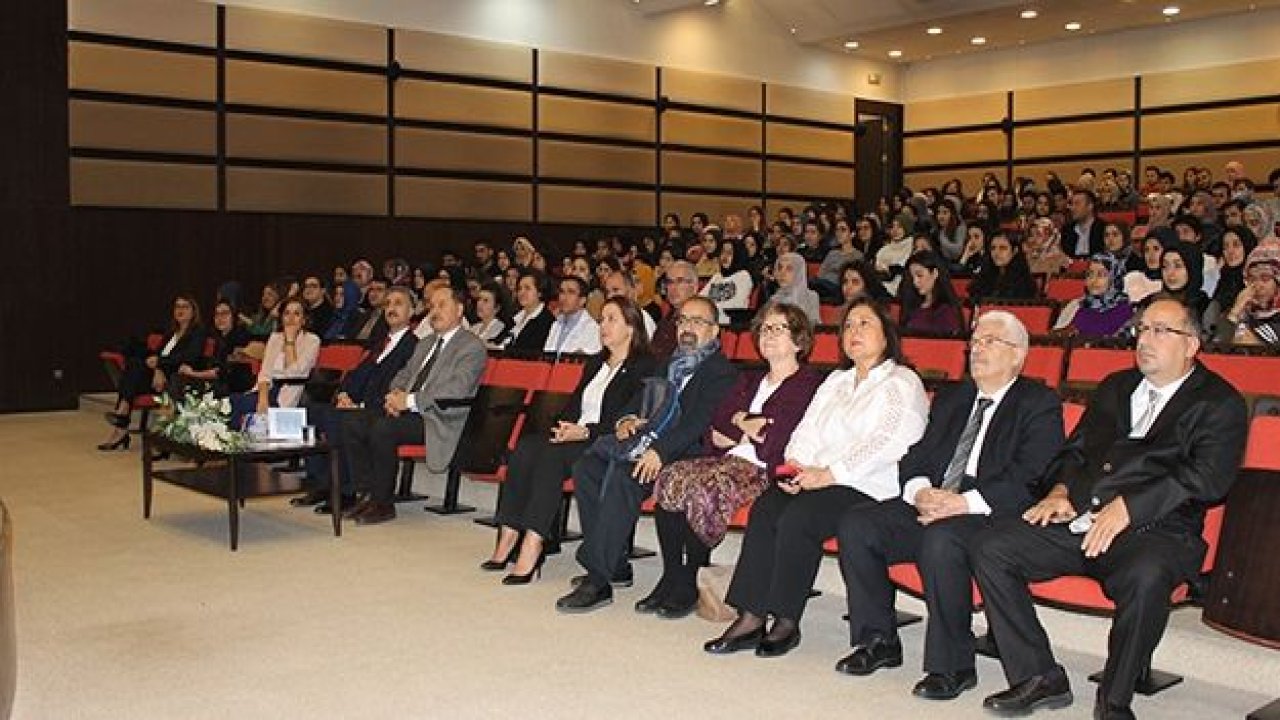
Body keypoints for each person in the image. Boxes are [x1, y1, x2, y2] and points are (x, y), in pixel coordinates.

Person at [974, 296, 1247, 720]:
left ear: (1192, 344)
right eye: (1142, 329)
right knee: (992, 546)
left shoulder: (1219, 402)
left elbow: (1208, 479)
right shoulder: (1115, 386)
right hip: (1079, 518)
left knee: (1147, 574)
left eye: (1161, 330)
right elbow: (1075, 450)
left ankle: (1113, 702)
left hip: (1155, 529)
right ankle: (1038, 675)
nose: (1145, 339)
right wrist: (1061, 491)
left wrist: (1131, 508)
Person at [834, 311, 1063, 700]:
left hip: (990, 510)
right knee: (858, 524)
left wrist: (963, 503)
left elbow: (1031, 475)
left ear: (1018, 355)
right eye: (975, 342)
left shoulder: (1038, 402)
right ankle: (878, 640)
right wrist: (921, 490)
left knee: (942, 540)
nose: (978, 349)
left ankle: (952, 666)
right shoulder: (956, 397)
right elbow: (918, 454)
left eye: (990, 342)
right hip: (938, 497)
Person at [703, 298, 928, 658]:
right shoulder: (836, 381)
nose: (854, 332)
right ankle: (751, 615)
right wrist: (795, 465)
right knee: (768, 507)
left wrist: (831, 474)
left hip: (866, 485)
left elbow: (888, 441)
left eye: (864, 324)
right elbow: (808, 429)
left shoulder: (902, 381)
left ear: (887, 335)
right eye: (848, 326)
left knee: (800, 517)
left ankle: (787, 621)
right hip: (816, 478)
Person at [638, 303, 825, 618]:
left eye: (779, 329)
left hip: (764, 468)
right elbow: (719, 418)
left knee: (704, 487)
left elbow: (778, 433)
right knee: (670, 477)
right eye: (765, 329)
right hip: (727, 458)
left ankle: (691, 577)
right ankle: (671, 574)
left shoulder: (808, 385)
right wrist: (743, 422)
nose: (768, 335)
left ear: (799, 341)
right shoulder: (750, 379)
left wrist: (737, 428)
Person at [555, 296, 738, 612]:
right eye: (683, 321)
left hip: (685, 454)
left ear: (715, 331)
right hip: (647, 445)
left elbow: (697, 423)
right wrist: (626, 421)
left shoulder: (721, 371)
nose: (688, 328)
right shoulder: (669, 363)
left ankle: (598, 579)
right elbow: (637, 402)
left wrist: (659, 452)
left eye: (698, 321)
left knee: (624, 477)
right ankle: (612, 563)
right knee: (588, 466)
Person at [485, 298, 655, 584]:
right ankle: (509, 531)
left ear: (631, 327)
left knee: (551, 457)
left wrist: (585, 432)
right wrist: (564, 428)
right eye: (602, 319)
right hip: (576, 434)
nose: (603, 325)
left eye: (612, 319)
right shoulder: (595, 364)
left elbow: (629, 418)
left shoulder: (644, 366)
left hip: (605, 441)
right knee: (526, 447)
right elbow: (574, 406)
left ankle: (533, 543)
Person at [341, 285, 488, 525]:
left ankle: (383, 502)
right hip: (410, 412)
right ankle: (366, 493)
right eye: (431, 306)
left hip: (440, 419)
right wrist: (394, 395)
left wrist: (409, 401)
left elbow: (456, 389)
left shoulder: (471, 346)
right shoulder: (425, 343)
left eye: (442, 305)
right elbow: (403, 374)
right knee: (353, 421)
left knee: (382, 428)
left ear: (459, 310)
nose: (434, 312)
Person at [291, 286, 419, 514]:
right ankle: (322, 483)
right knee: (313, 411)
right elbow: (357, 374)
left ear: (412, 311)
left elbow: (398, 384)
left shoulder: (413, 345)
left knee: (337, 418)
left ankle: (345, 490)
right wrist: (344, 394)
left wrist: (358, 404)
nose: (391, 308)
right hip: (361, 405)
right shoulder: (379, 343)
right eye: (387, 304)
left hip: (383, 408)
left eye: (398, 303)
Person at [99, 295, 207, 451]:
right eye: (177, 306)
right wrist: (157, 370)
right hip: (159, 376)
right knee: (135, 364)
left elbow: (190, 356)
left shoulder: (198, 332)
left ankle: (121, 423)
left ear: (193, 311)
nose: (180, 310)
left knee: (133, 375)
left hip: (178, 378)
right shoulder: (171, 333)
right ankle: (121, 419)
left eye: (185, 307)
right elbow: (158, 355)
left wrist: (160, 365)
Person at [229, 297, 321, 430]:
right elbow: (265, 372)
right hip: (266, 391)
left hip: (287, 394)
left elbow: (294, 373)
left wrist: (289, 342)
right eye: (287, 313)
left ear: (304, 319)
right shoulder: (275, 338)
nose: (291, 318)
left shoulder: (312, 341)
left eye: (297, 314)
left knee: (239, 404)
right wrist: (263, 398)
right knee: (232, 401)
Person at [173, 299, 252, 400]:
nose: (220, 318)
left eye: (225, 313)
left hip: (232, 384)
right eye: (217, 314)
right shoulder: (213, 338)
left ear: (233, 316)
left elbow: (220, 372)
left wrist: (193, 373)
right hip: (214, 382)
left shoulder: (241, 337)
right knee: (178, 378)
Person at [1051, 254, 1134, 339]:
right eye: (1090, 274)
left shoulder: (1126, 310)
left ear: (1114, 279)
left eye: (1101, 275)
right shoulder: (1076, 305)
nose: (1093, 280)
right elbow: (1055, 338)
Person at [1213, 243, 1280, 346]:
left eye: (1265, 278)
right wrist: (1235, 312)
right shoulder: (1239, 313)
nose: (1258, 285)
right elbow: (1216, 347)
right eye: (1252, 279)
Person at [899, 250, 964, 336]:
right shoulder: (911, 305)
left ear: (935, 273)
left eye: (920, 275)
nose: (915, 282)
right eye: (912, 277)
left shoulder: (947, 311)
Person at [968, 234, 1038, 301]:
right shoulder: (983, 276)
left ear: (1015, 251)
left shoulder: (1024, 282)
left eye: (1003, 248)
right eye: (993, 248)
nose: (996, 253)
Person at [545, 276, 602, 356]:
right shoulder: (556, 324)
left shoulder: (592, 329)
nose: (564, 297)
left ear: (582, 300)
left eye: (571, 292)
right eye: (562, 292)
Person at [701, 240, 755, 325]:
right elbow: (701, 298)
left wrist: (709, 312)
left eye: (729, 253)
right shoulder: (717, 276)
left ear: (738, 255)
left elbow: (736, 305)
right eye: (722, 252)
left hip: (727, 323)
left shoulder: (743, 276)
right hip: (708, 318)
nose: (724, 256)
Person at [652, 261, 698, 357]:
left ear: (694, 287)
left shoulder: (699, 321)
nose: (673, 287)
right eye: (670, 282)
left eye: (680, 281)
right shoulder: (666, 320)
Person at [502, 270, 555, 353]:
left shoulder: (546, 321)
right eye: (519, 288)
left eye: (527, 288)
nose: (521, 292)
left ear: (539, 292)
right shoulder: (514, 318)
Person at [769, 252, 821, 325]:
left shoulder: (811, 297)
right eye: (780, 268)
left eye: (789, 269)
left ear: (799, 272)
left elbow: (814, 326)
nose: (782, 273)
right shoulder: (774, 299)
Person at [603, 270, 657, 339]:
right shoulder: (607, 320)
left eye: (615, 290)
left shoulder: (642, 322)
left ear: (631, 292)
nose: (609, 296)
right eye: (607, 292)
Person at [1061, 189, 1106, 259]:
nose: (1072, 208)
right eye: (1072, 204)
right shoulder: (1067, 229)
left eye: (1077, 204)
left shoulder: (1103, 228)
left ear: (1090, 206)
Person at [467, 281, 509, 346]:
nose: (479, 303)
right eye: (479, 299)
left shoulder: (501, 330)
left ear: (496, 308)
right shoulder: (473, 328)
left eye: (485, 300)